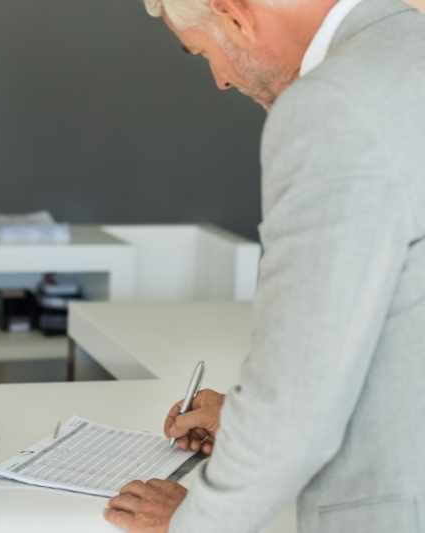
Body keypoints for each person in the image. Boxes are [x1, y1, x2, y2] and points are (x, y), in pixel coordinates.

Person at [105, 1, 425, 532]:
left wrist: (197, 520)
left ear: (233, 14)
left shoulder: (333, 105)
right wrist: (239, 422)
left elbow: (296, 416)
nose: (220, 81)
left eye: (203, 53)